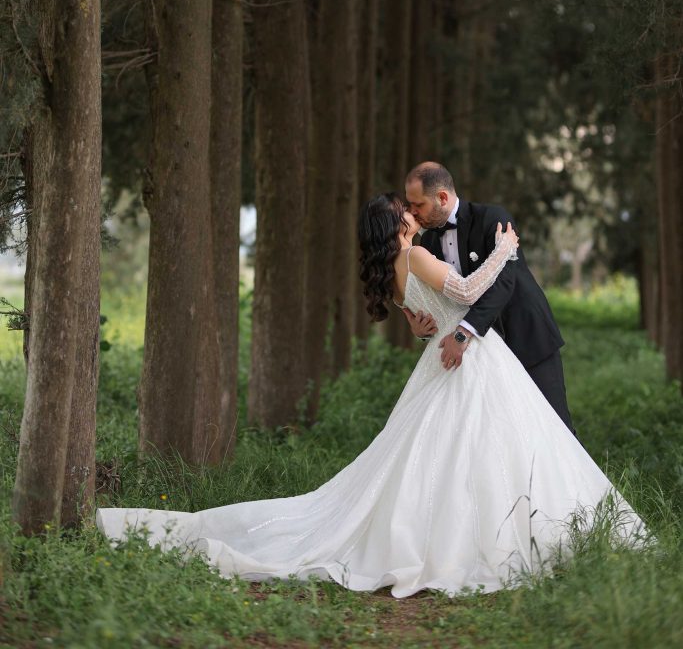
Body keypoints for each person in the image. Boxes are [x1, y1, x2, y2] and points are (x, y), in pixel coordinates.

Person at [97, 194, 643, 599]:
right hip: (470, 359)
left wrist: (435, 322)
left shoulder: (395, 271)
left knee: (451, 452)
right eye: (404, 211)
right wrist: (504, 250)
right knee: (483, 447)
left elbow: (419, 326)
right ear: (398, 225)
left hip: (449, 356)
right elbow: (473, 291)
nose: (413, 213)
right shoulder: (418, 258)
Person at [404, 161, 574, 431]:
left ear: (442, 197)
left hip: (527, 334)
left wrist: (463, 333)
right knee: (507, 434)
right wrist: (423, 328)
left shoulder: (493, 218)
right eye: (409, 206)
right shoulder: (428, 243)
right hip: (485, 357)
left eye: (418, 205)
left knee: (556, 427)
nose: (412, 212)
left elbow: (505, 282)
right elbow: (443, 300)